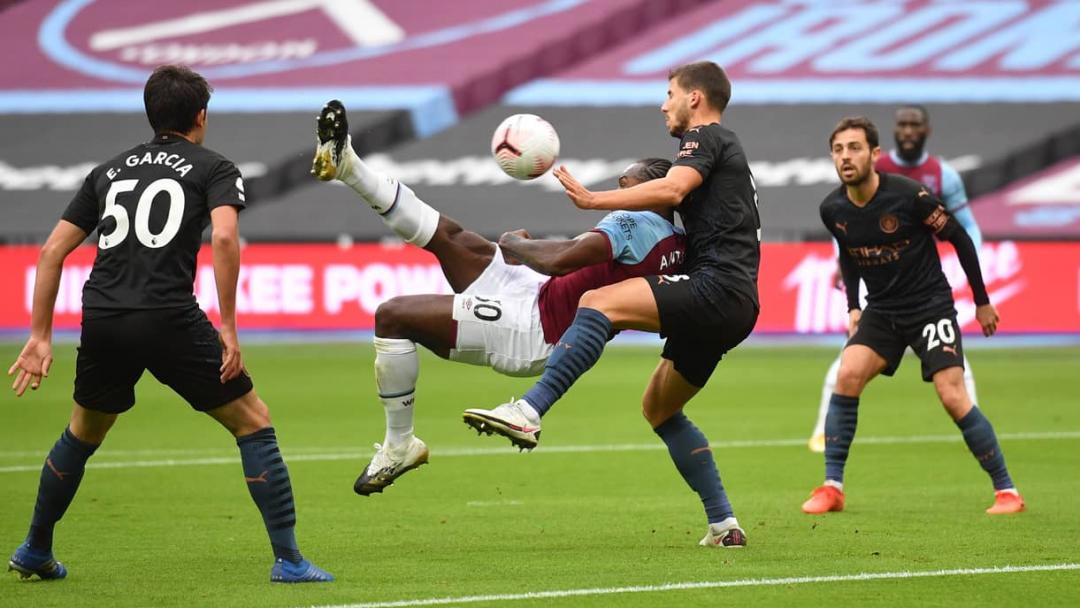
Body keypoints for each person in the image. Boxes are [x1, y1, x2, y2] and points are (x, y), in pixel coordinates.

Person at [5, 65, 333, 583]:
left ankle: (34, 549)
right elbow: (224, 239)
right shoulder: (214, 167)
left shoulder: (108, 171)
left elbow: (51, 252)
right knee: (253, 421)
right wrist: (228, 327)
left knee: (82, 432)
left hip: (105, 315)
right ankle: (290, 561)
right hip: (168, 316)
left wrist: (40, 335)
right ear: (201, 115)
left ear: (151, 114)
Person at [310, 101, 686, 496]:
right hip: (535, 295)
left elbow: (559, 261)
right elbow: (575, 260)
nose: (615, 192)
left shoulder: (635, 220)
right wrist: (527, 254)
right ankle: (348, 165)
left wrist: (514, 244)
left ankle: (399, 445)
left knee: (392, 316)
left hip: (533, 328)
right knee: (449, 236)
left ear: (651, 189)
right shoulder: (675, 243)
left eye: (625, 184)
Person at [461, 61, 761, 548]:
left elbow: (672, 188)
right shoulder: (728, 155)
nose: (663, 104)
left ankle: (529, 411)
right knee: (659, 409)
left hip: (718, 287)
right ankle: (724, 524)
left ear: (695, 99)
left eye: (669, 93)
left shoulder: (706, 138)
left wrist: (593, 200)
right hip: (736, 301)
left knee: (598, 301)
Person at [802, 116, 1024, 516]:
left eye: (854, 148)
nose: (845, 157)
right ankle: (832, 487)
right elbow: (849, 254)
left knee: (952, 395)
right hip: (883, 311)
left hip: (928, 307)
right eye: (838, 150)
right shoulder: (831, 208)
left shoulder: (910, 196)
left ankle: (1007, 491)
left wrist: (982, 300)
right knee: (846, 375)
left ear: (874, 155)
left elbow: (959, 238)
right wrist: (853, 306)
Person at [807, 105, 982, 453]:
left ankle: (976, 427)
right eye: (902, 124)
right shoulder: (872, 172)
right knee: (847, 368)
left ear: (926, 130)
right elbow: (846, 229)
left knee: (954, 376)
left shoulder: (941, 175)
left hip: (924, 288)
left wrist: (972, 276)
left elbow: (965, 229)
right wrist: (848, 288)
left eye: (914, 124)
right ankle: (823, 435)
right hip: (883, 297)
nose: (907, 130)